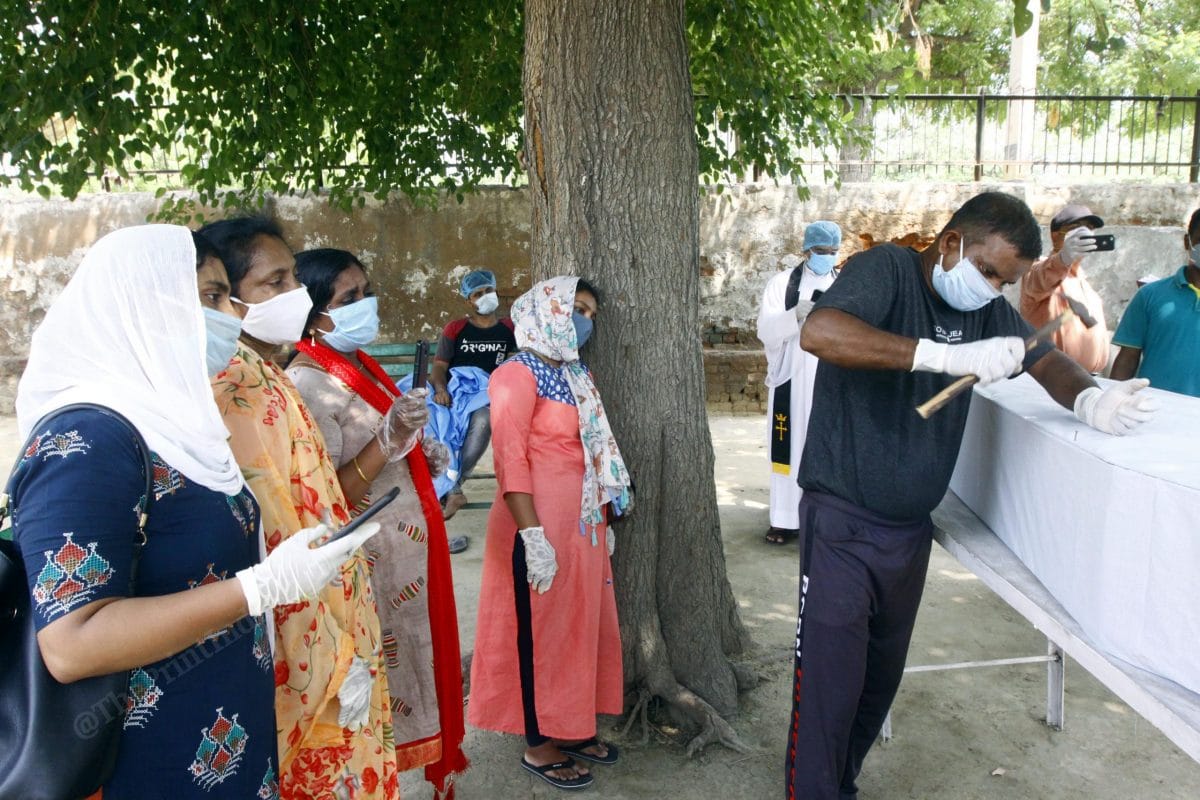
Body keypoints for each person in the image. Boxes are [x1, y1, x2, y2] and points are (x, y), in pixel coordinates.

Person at [785, 192, 1157, 800]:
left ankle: (839, 788)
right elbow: (821, 332)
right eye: (988, 271)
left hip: (909, 532)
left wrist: (1091, 399)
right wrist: (941, 357)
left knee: (877, 683)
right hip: (843, 520)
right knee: (829, 684)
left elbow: (1043, 355)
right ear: (952, 241)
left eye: (1005, 282)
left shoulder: (986, 308)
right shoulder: (889, 272)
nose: (992, 289)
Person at [10, 225, 379, 798]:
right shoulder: (85, 438)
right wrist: (258, 589)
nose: (231, 312)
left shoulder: (180, 428)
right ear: (142, 306)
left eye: (228, 295)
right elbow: (71, 644)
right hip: (150, 757)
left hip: (228, 737)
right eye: (210, 297)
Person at [200, 217, 399, 800]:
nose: (296, 295)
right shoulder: (235, 386)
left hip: (334, 619)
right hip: (314, 641)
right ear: (230, 300)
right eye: (276, 281)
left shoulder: (267, 373)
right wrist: (336, 657)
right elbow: (281, 539)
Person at [286, 248, 468, 796]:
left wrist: (418, 448)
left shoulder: (357, 363)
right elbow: (332, 493)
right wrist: (388, 442)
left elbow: (389, 441)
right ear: (317, 315)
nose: (366, 305)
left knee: (418, 661)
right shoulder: (307, 385)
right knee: (375, 684)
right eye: (350, 298)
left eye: (366, 291)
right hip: (372, 564)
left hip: (407, 552)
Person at [468, 277, 632, 791]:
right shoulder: (517, 374)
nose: (585, 319)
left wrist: (603, 517)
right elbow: (509, 459)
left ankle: (572, 725)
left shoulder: (579, 374)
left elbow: (593, 450)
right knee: (536, 631)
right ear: (549, 309)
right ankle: (540, 744)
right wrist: (532, 537)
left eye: (591, 313)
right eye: (577, 308)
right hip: (533, 524)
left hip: (582, 523)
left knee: (578, 627)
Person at [757, 220, 843, 545]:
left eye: (833, 251)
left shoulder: (844, 283)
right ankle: (784, 519)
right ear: (807, 250)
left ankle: (822, 522)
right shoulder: (782, 284)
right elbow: (765, 329)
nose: (827, 257)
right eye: (821, 251)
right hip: (792, 379)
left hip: (829, 378)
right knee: (789, 449)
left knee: (825, 449)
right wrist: (794, 315)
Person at [430, 269, 518, 522]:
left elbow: (519, 362)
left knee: (482, 419)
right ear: (468, 300)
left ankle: (452, 486)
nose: (485, 297)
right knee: (432, 424)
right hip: (455, 393)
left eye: (488, 291)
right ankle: (447, 489)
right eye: (478, 294)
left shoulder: (509, 329)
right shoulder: (456, 328)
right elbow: (439, 367)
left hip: (487, 395)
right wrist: (440, 389)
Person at [1109, 208, 1200, 398]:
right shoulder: (1150, 295)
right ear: (1187, 242)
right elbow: (1128, 358)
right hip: (1154, 410)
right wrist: (1114, 400)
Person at [1019, 203, 1110, 372]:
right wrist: (1064, 257)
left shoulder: (1082, 280)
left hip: (1088, 378)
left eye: (1090, 228)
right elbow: (1041, 277)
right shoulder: (1040, 271)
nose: (1084, 233)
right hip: (1052, 379)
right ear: (1056, 235)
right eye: (1075, 227)